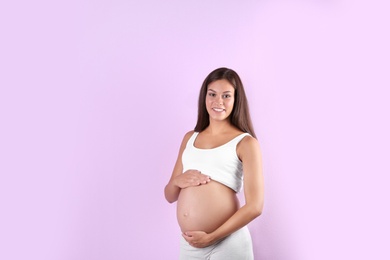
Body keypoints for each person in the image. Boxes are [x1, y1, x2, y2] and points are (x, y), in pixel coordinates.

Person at [164, 67, 264, 259]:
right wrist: (178, 181)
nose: (218, 102)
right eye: (212, 94)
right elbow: (169, 196)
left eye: (226, 96)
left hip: (227, 243)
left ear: (236, 100)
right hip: (190, 245)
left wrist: (212, 237)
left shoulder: (245, 143)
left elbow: (255, 206)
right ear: (204, 97)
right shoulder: (189, 139)